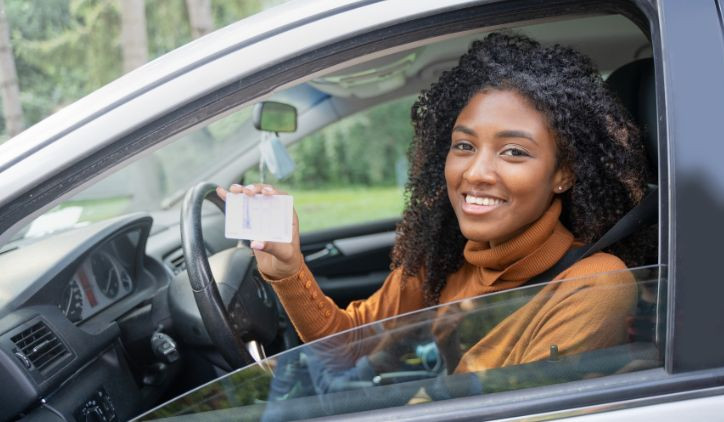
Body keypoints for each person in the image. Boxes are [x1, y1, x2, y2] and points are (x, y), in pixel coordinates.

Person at [217, 32, 653, 374]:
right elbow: (347, 350)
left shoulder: (594, 285)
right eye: (464, 145)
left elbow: (505, 404)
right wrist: (288, 271)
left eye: (514, 151)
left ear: (564, 174)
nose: (476, 172)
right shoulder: (443, 258)